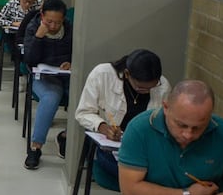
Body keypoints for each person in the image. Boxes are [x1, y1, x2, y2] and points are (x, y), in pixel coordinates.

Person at [72, 49, 170, 185]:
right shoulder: (102, 75)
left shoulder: (163, 86)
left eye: (151, 87)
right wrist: (103, 127)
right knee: (138, 176)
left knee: (162, 172)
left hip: (142, 148)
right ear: (127, 74)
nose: (146, 91)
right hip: (109, 146)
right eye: (141, 88)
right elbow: (83, 113)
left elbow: (162, 123)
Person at [23, 0, 73, 171]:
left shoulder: (70, 28)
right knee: (51, 97)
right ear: (42, 15)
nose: (53, 26)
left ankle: (66, 137)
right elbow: (28, 60)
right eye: (49, 21)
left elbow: (77, 52)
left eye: (57, 23)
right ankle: (35, 148)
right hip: (42, 76)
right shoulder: (33, 27)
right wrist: (38, 38)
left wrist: (71, 63)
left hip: (66, 74)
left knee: (83, 95)